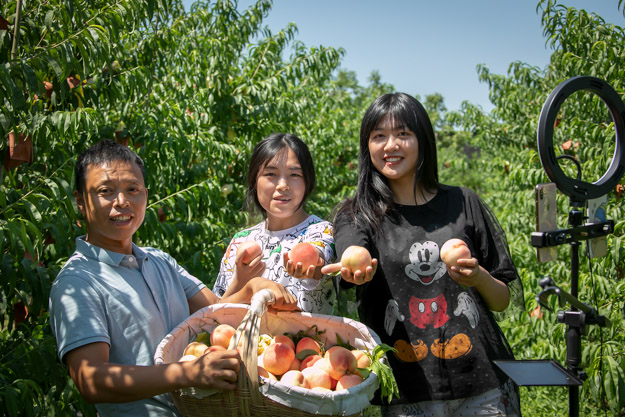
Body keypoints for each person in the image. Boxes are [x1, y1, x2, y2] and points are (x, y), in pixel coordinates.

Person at [49, 139, 297, 417]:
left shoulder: (159, 261)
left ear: (145, 195)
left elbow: (215, 314)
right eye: (106, 191)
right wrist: (187, 373)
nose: (122, 202)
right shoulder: (78, 282)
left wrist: (250, 286)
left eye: (133, 189)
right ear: (81, 202)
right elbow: (91, 380)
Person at [322, 93, 523, 417]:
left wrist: (478, 276)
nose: (390, 145)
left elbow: (501, 300)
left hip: (482, 385)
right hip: (408, 393)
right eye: (379, 136)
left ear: (422, 139)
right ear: (367, 146)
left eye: (403, 134)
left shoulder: (462, 202)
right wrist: (355, 263)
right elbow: (353, 247)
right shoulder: (357, 213)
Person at [213, 133, 336, 314]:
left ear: (307, 181)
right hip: (244, 342)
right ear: (255, 181)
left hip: (306, 342)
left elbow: (317, 261)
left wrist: (309, 268)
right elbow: (217, 313)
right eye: (271, 174)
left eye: (294, 174)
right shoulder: (241, 241)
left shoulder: (320, 231)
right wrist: (240, 280)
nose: (283, 185)